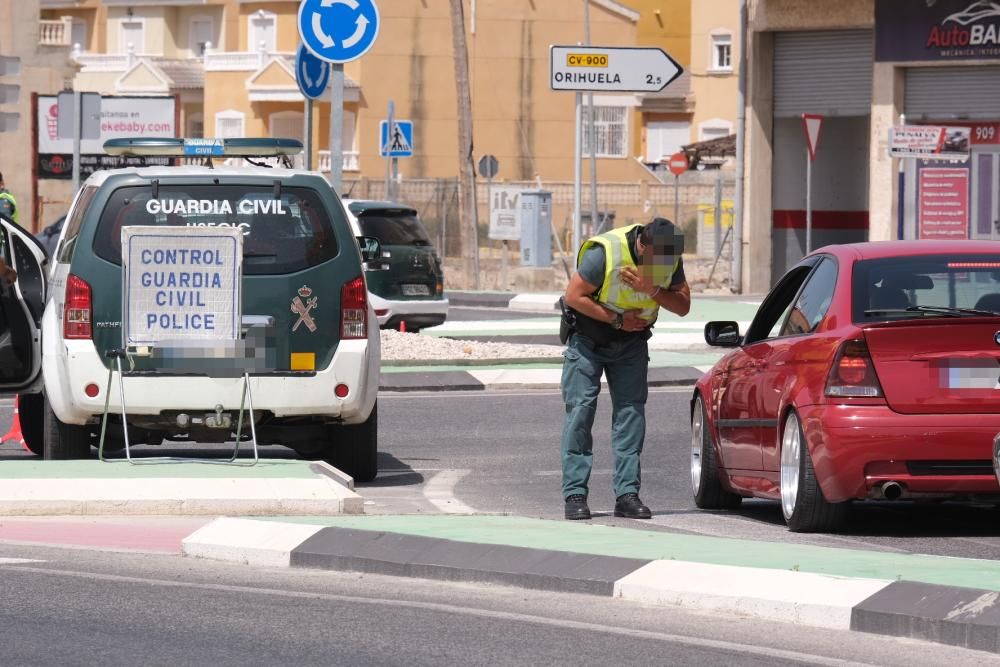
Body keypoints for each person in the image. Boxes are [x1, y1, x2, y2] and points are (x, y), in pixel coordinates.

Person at [560, 217, 691, 520]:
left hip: (632, 345)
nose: (662, 264)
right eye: (655, 259)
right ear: (642, 246)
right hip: (588, 341)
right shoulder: (606, 253)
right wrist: (617, 320)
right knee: (581, 411)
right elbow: (573, 296)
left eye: (667, 259)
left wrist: (653, 289)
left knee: (630, 417)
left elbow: (683, 305)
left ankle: (627, 495)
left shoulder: (669, 256)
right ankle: (575, 494)